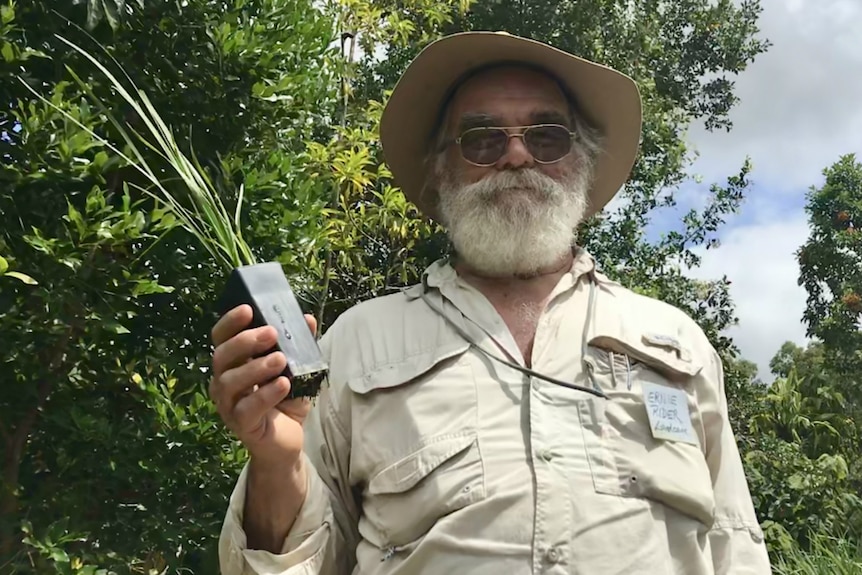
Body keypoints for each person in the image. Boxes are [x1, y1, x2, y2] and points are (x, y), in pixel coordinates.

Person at [210, 31, 772, 575]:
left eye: (547, 136)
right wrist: (277, 463)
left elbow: (734, 543)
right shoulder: (358, 342)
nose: (516, 155)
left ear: (584, 162)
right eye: (481, 139)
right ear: (440, 172)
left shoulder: (676, 341)